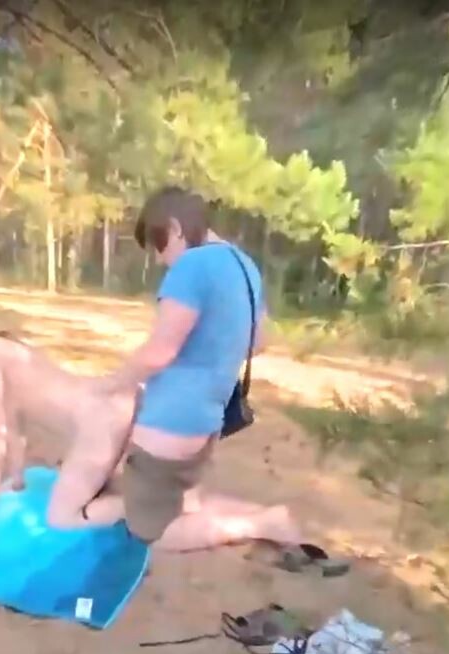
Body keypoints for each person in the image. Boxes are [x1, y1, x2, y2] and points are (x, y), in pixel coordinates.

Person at [83, 187, 310, 554]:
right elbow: (258, 342)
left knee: (149, 530)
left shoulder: (191, 266)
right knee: (185, 502)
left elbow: (159, 353)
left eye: (159, 247)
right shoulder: (244, 265)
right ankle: (272, 517)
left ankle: (261, 524)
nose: (161, 260)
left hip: (170, 419)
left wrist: (109, 385)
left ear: (174, 228)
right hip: (209, 417)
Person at [0, 292, 136, 535]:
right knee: (102, 490)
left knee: (62, 517)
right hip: (110, 408)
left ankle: (147, 507)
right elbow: (12, 428)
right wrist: (17, 481)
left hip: (101, 422)